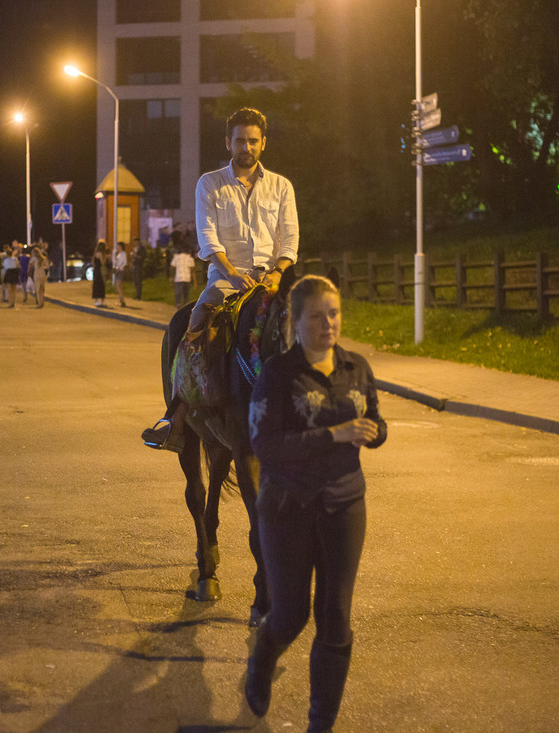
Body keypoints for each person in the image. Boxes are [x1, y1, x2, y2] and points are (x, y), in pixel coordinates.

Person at [244, 275, 386, 731]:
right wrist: (335, 434)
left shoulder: (356, 367)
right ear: (296, 322)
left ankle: (320, 725)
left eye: (334, 313)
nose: (328, 323)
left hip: (345, 505)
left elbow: (377, 420)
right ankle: (263, 658)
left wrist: (376, 432)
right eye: (317, 316)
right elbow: (265, 445)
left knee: (336, 618)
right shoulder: (277, 373)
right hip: (288, 506)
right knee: (290, 614)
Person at [143, 107, 299, 451]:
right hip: (226, 279)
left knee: (303, 323)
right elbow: (208, 236)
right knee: (195, 325)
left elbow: (289, 240)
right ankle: (177, 415)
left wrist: (277, 273)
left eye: (254, 141)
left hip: (273, 280)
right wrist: (231, 273)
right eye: (240, 140)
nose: (247, 146)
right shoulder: (209, 183)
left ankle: (312, 404)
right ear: (228, 143)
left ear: (264, 143)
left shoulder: (281, 187)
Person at [169, 232, 197, 308]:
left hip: (178, 278)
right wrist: (195, 282)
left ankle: (178, 307)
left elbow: (172, 267)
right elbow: (193, 271)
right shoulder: (190, 259)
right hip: (186, 278)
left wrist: (171, 278)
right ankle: (184, 307)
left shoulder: (177, 257)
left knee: (178, 294)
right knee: (185, 295)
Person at [92, 240, 108, 307]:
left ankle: (96, 301)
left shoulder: (95, 253)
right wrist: (106, 258)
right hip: (100, 271)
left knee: (96, 285)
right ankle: (102, 301)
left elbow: (93, 263)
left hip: (96, 271)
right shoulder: (101, 253)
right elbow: (103, 263)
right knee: (101, 285)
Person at [111, 240, 128, 307]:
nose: (117, 247)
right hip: (118, 271)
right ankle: (121, 300)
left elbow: (125, 262)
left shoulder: (123, 253)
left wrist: (120, 267)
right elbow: (115, 262)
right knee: (118, 286)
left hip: (120, 271)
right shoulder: (118, 254)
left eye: (118, 246)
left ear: (121, 246)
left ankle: (122, 301)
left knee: (118, 286)